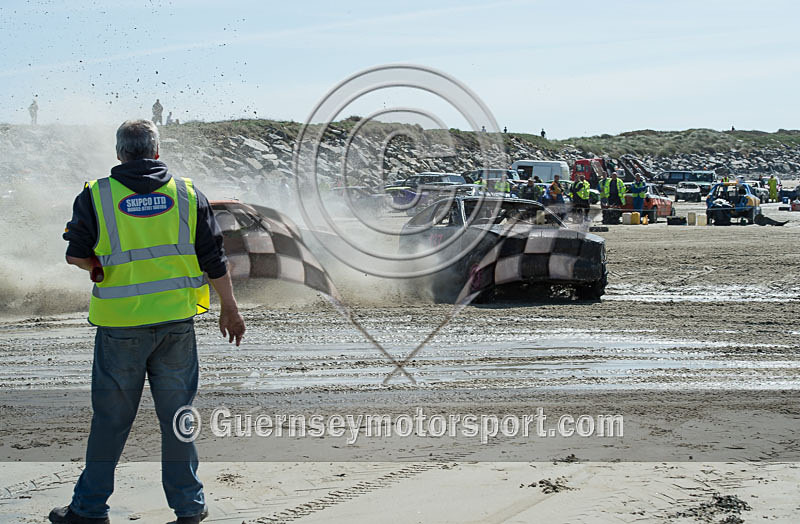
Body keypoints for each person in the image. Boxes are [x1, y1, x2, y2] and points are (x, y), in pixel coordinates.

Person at [53, 119, 245, 524]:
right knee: (178, 418)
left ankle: (88, 510)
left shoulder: (96, 196)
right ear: (156, 152)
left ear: (120, 153)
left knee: (110, 422)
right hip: (176, 324)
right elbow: (214, 258)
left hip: (120, 328)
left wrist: (94, 266)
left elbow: (75, 254)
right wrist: (230, 307)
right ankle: (189, 507)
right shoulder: (188, 194)